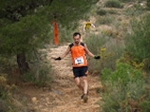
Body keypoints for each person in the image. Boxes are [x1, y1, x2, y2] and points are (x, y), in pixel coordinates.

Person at [54, 32, 100, 103]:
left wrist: (95, 56)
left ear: (80, 38)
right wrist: (60, 58)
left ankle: (85, 95)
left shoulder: (83, 45)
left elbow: (88, 52)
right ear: (73, 39)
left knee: (85, 80)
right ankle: (85, 90)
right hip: (76, 67)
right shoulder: (71, 46)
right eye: (75, 39)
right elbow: (65, 53)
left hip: (84, 65)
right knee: (78, 83)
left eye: (78, 39)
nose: (76, 40)